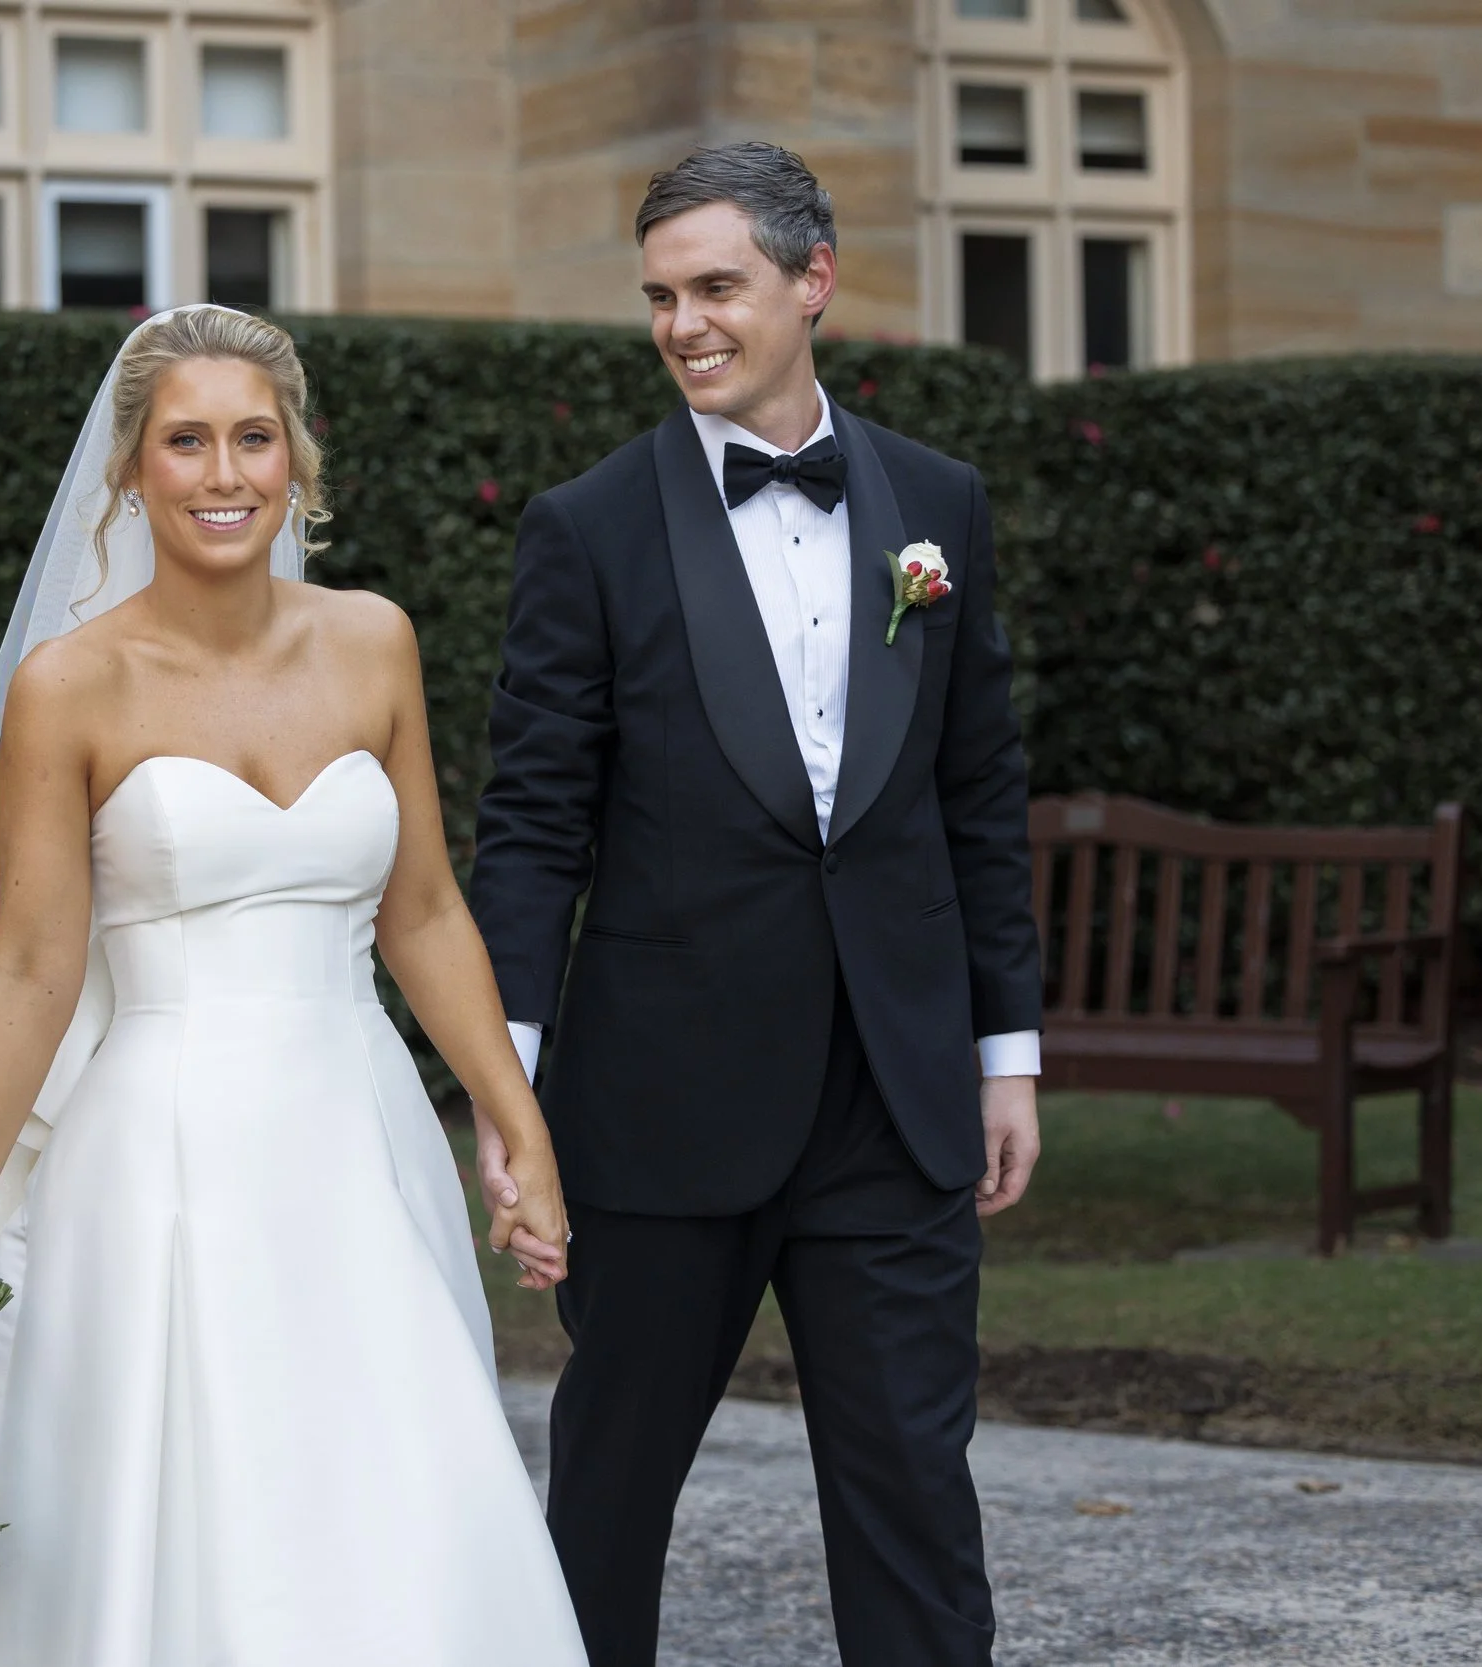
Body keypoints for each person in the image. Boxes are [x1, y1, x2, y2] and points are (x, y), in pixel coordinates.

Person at [0, 304, 588, 1666]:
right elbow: (33, 964)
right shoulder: (71, 684)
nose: (223, 474)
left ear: (298, 460)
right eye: (187, 441)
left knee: (384, 1473)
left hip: (355, 1136)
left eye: (253, 438)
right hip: (158, 1152)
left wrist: (521, 1122)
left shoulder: (375, 640)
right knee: (183, 1488)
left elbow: (425, 906)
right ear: (132, 471)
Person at [467, 143, 1047, 1667]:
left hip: (895, 1099)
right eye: (660, 294)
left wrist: (1006, 1056)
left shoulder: (938, 505)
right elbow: (533, 825)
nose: (684, 323)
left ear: (813, 281)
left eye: (716, 285)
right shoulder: (585, 529)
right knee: (611, 1489)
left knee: (915, 1492)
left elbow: (977, 796)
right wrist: (506, 1089)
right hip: (659, 1108)